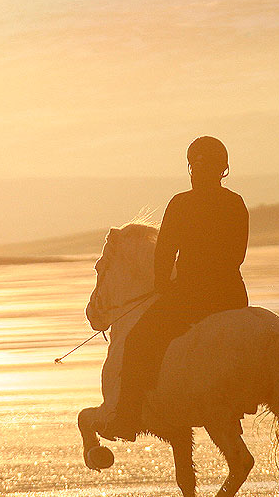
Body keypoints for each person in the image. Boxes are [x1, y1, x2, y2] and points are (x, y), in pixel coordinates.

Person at [100, 136, 249, 442]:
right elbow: (238, 256)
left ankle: (127, 417)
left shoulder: (181, 203)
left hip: (191, 296)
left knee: (139, 340)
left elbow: (164, 253)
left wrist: (165, 286)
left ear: (191, 168)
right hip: (232, 295)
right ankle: (237, 405)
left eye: (196, 166)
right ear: (224, 169)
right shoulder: (235, 203)